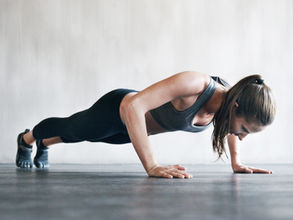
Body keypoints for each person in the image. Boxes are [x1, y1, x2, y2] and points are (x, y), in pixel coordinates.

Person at [16, 71, 276, 179]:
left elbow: (229, 129)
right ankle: (27, 139)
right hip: (116, 110)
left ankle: (45, 144)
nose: (241, 136)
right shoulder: (196, 84)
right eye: (245, 129)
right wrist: (152, 165)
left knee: (84, 136)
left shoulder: (228, 105)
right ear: (236, 106)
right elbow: (134, 106)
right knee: (72, 127)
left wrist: (236, 163)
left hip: (134, 131)